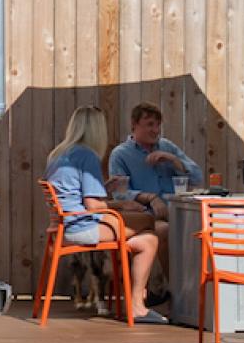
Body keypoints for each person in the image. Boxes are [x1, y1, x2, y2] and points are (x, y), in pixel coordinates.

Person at [46, 105, 161, 322]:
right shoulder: (86, 155)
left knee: (147, 240)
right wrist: (122, 205)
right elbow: (93, 206)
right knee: (147, 220)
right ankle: (137, 302)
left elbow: (75, 195)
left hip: (64, 225)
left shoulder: (58, 154)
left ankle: (133, 294)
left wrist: (105, 190)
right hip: (82, 227)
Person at [108, 103, 202, 241]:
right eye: (150, 124)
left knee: (205, 227)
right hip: (144, 216)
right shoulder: (120, 154)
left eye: (158, 125)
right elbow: (120, 194)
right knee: (164, 230)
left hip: (177, 212)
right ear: (134, 124)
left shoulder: (167, 147)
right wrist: (151, 198)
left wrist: (174, 161)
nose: (155, 130)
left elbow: (197, 177)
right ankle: (173, 264)